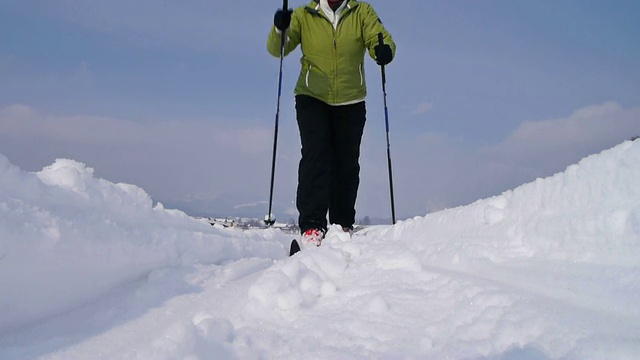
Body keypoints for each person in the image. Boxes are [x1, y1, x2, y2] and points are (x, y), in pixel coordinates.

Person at [267, 0, 395, 248]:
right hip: (312, 96)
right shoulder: (304, 15)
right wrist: (279, 29)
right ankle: (313, 225)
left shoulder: (361, 12)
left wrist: (384, 49)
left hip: (351, 99)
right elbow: (278, 49)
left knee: (346, 162)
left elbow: (378, 37)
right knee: (316, 156)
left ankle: (341, 224)